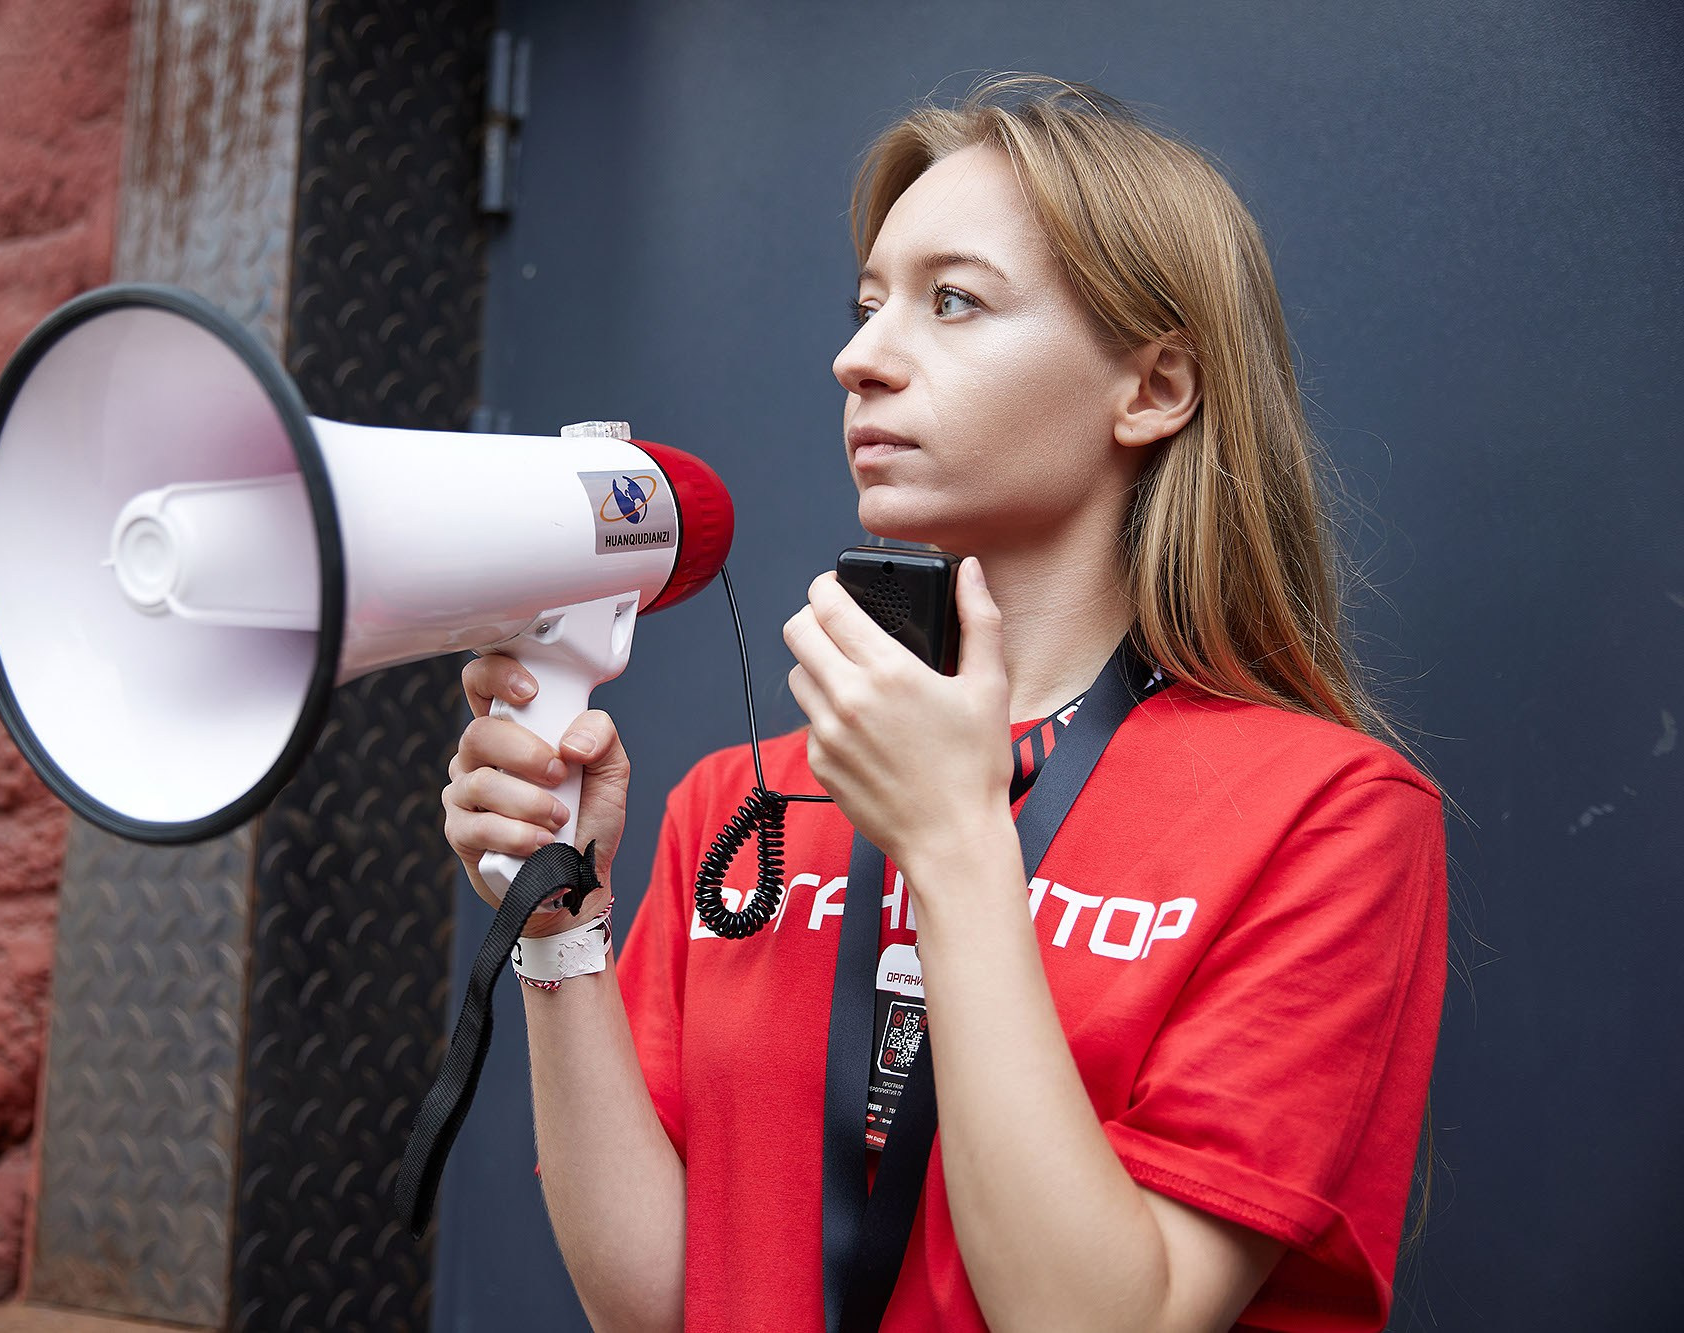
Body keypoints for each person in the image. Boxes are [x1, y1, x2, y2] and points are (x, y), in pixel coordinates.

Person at [441, 75, 1446, 1333]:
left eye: (951, 301)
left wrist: (955, 844)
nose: (857, 357)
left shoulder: (1330, 819)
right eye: (865, 307)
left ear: (1153, 388)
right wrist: (556, 927)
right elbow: (656, 1303)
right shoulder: (740, 802)